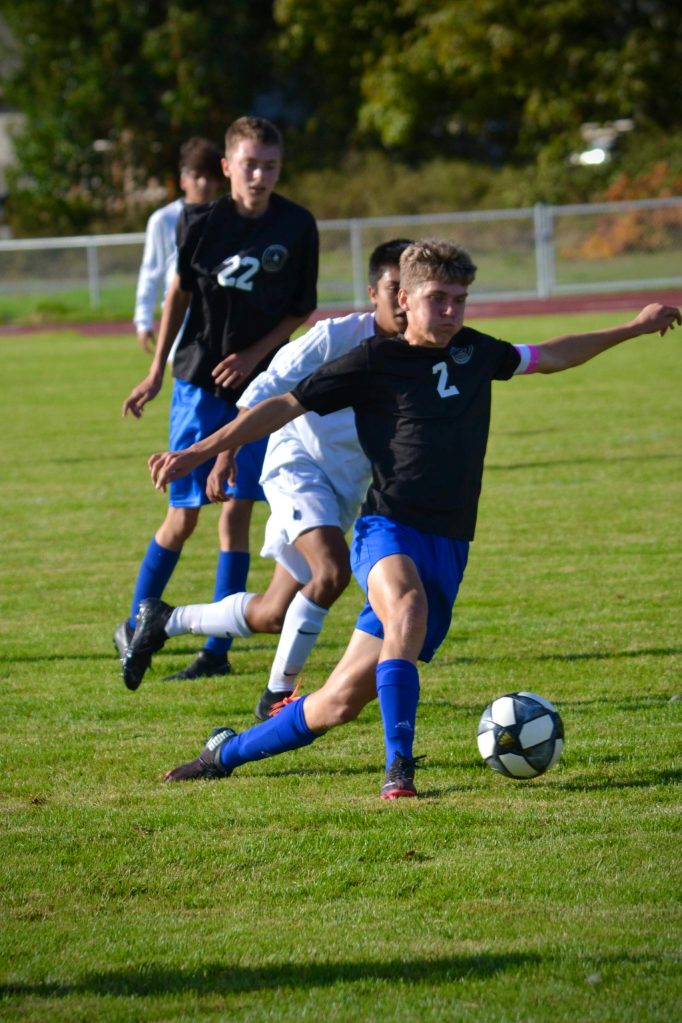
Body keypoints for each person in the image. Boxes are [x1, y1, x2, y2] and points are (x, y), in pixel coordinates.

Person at [146, 239, 680, 798]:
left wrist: (635, 327)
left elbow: (553, 355)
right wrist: (200, 450)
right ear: (404, 297)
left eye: (459, 299)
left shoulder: (477, 352)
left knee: (337, 702)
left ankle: (223, 752)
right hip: (387, 528)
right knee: (407, 605)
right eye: (437, 299)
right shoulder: (372, 361)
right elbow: (282, 405)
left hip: (448, 545)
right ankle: (399, 770)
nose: (450, 311)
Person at [121, 240, 412, 716]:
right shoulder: (334, 337)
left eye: (411, 291)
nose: (404, 302)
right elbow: (263, 390)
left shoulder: (423, 349)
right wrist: (223, 455)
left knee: (275, 612)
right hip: (297, 465)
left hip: (345, 486)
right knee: (332, 571)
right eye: (394, 289)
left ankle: (165, 620)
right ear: (373, 292)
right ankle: (277, 697)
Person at [115, 116, 319, 683]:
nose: (260, 175)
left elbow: (299, 309)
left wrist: (256, 354)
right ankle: (138, 626)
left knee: (237, 514)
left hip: (258, 388)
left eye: (270, 165)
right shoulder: (198, 221)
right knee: (182, 516)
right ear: (226, 167)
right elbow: (178, 290)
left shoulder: (298, 225)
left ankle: (216, 651)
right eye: (249, 164)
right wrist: (156, 370)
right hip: (198, 384)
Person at [133, 137, 223, 355]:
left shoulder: (227, 217)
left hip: (220, 320)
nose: (203, 184)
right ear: (184, 179)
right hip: (181, 320)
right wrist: (143, 321)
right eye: (197, 176)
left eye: (210, 177)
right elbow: (151, 271)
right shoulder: (164, 220)